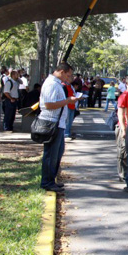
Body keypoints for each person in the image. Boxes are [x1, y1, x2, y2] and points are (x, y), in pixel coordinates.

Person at [39, 62, 78, 192]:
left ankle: (51, 179)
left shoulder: (56, 84)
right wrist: (68, 101)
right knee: (51, 154)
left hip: (58, 124)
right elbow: (49, 104)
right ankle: (47, 182)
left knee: (57, 153)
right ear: (61, 72)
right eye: (68, 75)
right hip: (51, 123)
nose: (69, 78)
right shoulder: (51, 84)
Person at [115, 75, 128, 182]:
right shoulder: (124, 96)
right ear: (127, 84)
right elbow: (120, 114)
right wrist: (123, 129)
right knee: (122, 152)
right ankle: (122, 174)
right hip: (124, 127)